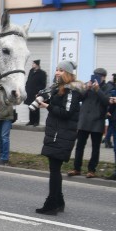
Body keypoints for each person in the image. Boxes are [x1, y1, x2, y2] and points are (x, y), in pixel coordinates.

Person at [36, 60, 84, 215]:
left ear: (68, 73)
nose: (57, 72)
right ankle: (59, 202)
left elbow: (67, 113)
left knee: (54, 170)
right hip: (57, 134)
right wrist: (44, 98)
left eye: (61, 70)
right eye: (56, 69)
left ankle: (51, 204)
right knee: (54, 169)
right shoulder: (59, 89)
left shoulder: (72, 91)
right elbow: (57, 103)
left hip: (62, 135)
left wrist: (48, 106)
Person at [67, 67, 113, 178]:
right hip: (84, 120)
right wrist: (86, 89)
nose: (96, 77)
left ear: (103, 77)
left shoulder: (108, 87)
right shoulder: (88, 85)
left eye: (99, 76)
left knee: (95, 148)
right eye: (95, 75)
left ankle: (91, 170)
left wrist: (97, 90)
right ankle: (76, 168)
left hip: (97, 121)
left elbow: (107, 102)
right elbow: (79, 98)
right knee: (79, 146)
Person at [24, 59, 47, 126]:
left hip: (36, 93)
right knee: (30, 106)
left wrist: (38, 91)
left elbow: (43, 85)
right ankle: (31, 121)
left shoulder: (42, 73)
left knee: (36, 107)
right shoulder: (31, 71)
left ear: (37, 64)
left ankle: (36, 122)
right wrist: (26, 87)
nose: (32, 64)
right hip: (29, 92)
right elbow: (28, 80)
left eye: (33, 63)